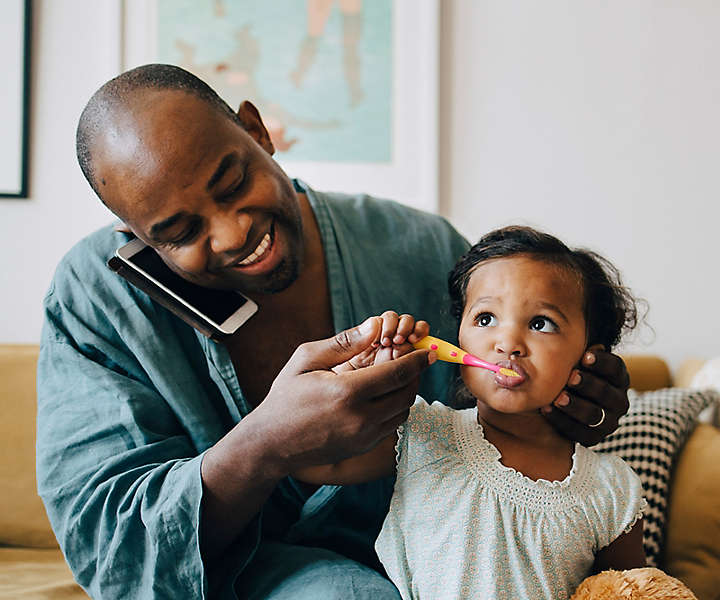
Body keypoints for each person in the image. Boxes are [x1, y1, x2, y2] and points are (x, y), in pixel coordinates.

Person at [36, 64, 632, 600]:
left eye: (232, 182)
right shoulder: (96, 300)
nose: (232, 232)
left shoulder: (423, 249)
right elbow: (107, 548)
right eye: (178, 231)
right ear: (133, 229)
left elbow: (510, 421)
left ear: (257, 131)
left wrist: (578, 398)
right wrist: (264, 446)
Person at [294, 225, 647, 599]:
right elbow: (308, 460)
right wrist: (354, 375)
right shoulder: (422, 434)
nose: (507, 343)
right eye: (485, 319)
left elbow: (632, 590)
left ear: (590, 355)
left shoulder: (611, 489)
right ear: (458, 334)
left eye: (540, 323)